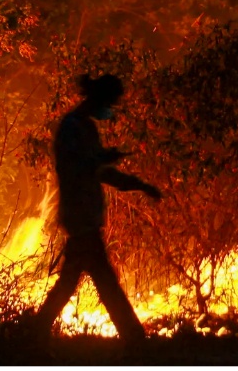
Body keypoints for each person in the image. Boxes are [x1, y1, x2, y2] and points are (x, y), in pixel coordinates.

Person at [35, 73, 161, 342]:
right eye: (110, 102)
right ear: (97, 99)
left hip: (85, 216)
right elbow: (79, 168)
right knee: (103, 281)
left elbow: (99, 170)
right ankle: (134, 339)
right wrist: (104, 159)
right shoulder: (71, 127)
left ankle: (31, 333)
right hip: (79, 215)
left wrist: (136, 183)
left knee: (73, 281)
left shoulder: (85, 128)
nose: (111, 109)